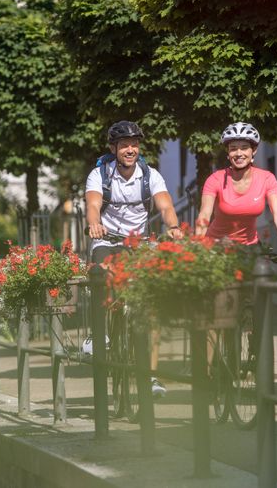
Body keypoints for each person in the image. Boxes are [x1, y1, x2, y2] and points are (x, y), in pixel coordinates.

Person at [85, 120, 183, 397]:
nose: (130, 150)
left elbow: (165, 205)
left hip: (140, 242)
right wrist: (94, 224)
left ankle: (150, 376)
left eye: (134, 145)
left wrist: (173, 227)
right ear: (114, 148)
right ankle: (98, 333)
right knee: (101, 275)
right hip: (108, 239)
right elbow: (93, 205)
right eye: (125, 145)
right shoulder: (99, 175)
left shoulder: (150, 175)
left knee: (149, 305)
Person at [195, 122, 277, 261]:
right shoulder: (215, 179)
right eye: (233, 149)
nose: (239, 153)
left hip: (249, 248)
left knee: (258, 279)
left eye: (244, 148)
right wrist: (197, 245)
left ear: (254, 150)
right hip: (216, 247)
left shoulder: (266, 178)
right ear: (228, 152)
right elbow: (204, 215)